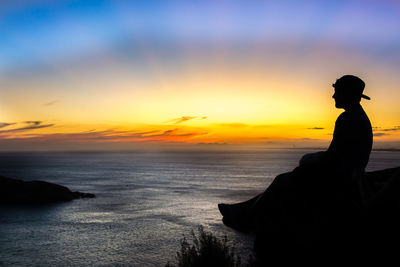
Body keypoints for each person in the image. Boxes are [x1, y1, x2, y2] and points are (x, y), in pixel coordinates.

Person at [218, 75, 373, 237]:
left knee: (283, 181)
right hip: (349, 174)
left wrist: (310, 160)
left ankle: (246, 219)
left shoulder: (348, 118)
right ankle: (241, 209)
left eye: (336, 92)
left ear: (347, 93)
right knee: (284, 180)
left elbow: (334, 157)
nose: (333, 96)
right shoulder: (357, 116)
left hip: (340, 178)